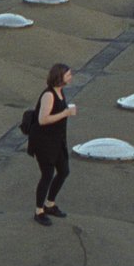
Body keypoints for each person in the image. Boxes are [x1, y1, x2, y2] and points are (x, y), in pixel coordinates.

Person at [30, 63, 77, 226]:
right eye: (68, 75)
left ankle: (50, 204)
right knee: (47, 175)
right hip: (44, 143)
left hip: (57, 141)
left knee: (64, 171)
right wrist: (65, 113)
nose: (71, 77)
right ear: (59, 77)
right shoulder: (49, 95)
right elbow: (43, 120)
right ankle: (39, 211)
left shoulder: (60, 91)